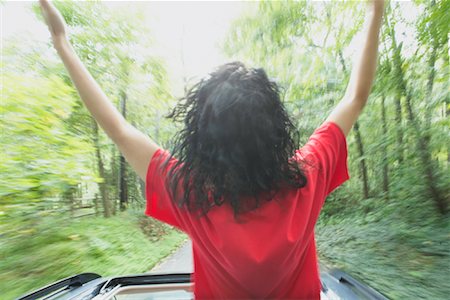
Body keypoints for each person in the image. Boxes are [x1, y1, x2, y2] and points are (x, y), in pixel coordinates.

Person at [39, 0, 385, 298]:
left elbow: (118, 129)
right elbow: (355, 96)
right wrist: (375, 10)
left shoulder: (192, 192)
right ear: (276, 127)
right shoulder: (306, 176)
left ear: (202, 136)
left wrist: (62, 43)